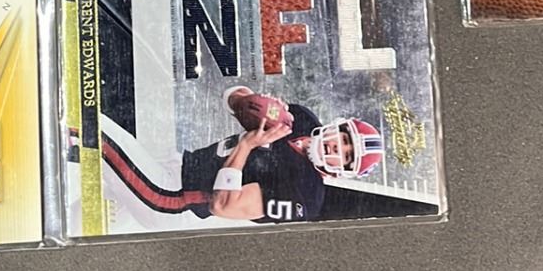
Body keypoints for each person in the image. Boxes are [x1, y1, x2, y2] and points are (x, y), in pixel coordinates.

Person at [99, 84, 385, 227]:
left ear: (343, 170)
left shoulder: (306, 195)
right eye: (344, 140)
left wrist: (245, 147)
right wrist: (249, 101)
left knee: (96, 131)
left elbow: (223, 206)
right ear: (338, 127)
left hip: (175, 199)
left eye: (346, 156)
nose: (337, 148)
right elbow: (233, 98)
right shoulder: (301, 119)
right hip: (180, 165)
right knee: (85, 216)